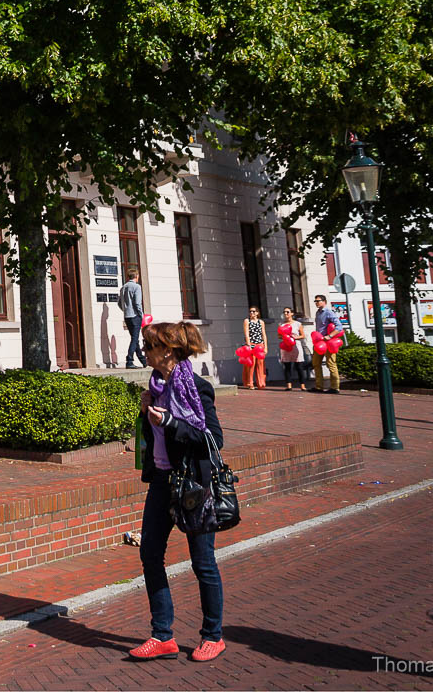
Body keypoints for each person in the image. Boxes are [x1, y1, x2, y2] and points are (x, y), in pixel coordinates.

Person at [129, 320, 227, 663]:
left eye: (150, 346)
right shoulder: (154, 388)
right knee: (150, 555)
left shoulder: (198, 388)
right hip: (162, 482)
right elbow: (152, 439)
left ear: (168, 351)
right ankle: (162, 635)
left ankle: (213, 635)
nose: (145, 351)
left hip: (194, 485)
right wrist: (147, 415)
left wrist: (170, 422)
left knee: (203, 562)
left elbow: (213, 439)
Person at [312, 294, 342, 394]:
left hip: (328, 343)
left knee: (331, 364)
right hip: (318, 342)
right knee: (316, 363)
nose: (316, 302)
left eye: (318, 301)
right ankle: (319, 386)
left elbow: (339, 327)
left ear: (324, 301)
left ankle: (335, 387)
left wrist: (329, 336)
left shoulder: (329, 312)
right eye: (315, 301)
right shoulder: (318, 313)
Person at [276, 306, 310, 391]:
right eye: (284, 312)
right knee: (287, 366)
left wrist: (294, 338)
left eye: (287, 312)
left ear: (292, 313)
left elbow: (302, 335)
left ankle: (302, 385)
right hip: (285, 346)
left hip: (296, 345)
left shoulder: (297, 324)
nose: (285, 314)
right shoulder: (281, 324)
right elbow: (279, 335)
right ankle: (289, 385)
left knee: (299, 366)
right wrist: (285, 337)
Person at [119, 272, 146, 368]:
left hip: (127, 316)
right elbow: (138, 303)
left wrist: (126, 310)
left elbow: (119, 303)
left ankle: (143, 360)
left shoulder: (123, 287)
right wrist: (141, 315)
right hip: (135, 316)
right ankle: (129, 360)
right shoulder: (136, 287)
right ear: (136, 276)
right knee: (134, 339)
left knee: (135, 339)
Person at [239, 305, 268, 389]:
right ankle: (250, 383)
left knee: (260, 364)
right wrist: (249, 346)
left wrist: (265, 347)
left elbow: (264, 334)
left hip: (260, 345)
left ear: (257, 313)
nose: (251, 313)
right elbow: (246, 334)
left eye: (253, 311)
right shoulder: (247, 321)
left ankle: (261, 383)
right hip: (251, 344)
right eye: (250, 311)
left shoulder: (261, 322)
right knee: (251, 364)